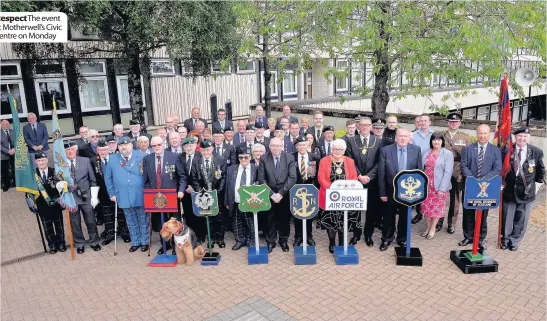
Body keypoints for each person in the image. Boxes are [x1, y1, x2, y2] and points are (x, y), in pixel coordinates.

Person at [378, 128, 422, 251]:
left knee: (405, 216)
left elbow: (419, 172)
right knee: (388, 217)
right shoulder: (386, 150)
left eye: (405, 136)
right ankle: (387, 238)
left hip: (409, 192)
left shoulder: (416, 150)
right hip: (390, 191)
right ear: (396, 137)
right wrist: (382, 192)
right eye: (400, 136)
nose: (403, 138)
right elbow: (381, 173)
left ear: (409, 138)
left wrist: (417, 193)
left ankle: (402, 239)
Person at [502, 127, 545, 251]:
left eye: (525, 136)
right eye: (520, 136)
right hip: (509, 190)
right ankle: (505, 239)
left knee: (521, 218)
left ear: (528, 138)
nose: (522, 139)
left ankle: (514, 240)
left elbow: (541, 171)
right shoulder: (507, 150)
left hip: (526, 192)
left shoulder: (536, 152)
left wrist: (537, 185)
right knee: (507, 217)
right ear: (515, 137)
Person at [459, 124, 501, 250]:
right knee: (468, 212)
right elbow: (463, 165)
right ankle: (468, 236)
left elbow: (497, 168)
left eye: (485, 133)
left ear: (489, 134)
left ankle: (481, 238)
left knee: (483, 213)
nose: (482, 136)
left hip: (486, 187)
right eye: (480, 133)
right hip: (470, 185)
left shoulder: (495, 150)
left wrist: (484, 180)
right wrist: (473, 180)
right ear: (477, 134)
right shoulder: (468, 149)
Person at [105, 137, 149, 253]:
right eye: (121, 146)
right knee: (130, 220)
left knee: (143, 219)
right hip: (123, 195)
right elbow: (108, 178)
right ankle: (135, 242)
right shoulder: (113, 159)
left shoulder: (141, 156)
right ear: (118, 147)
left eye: (126, 145)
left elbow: (148, 175)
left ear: (132, 145)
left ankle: (144, 241)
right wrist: (112, 193)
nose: (123, 147)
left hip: (140, 194)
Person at [143, 136, 186, 254]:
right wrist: (149, 194)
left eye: (159, 144)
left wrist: (181, 190)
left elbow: (182, 176)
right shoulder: (147, 159)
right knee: (161, 222)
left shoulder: (173, 156)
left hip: (172, 196)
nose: (157, 147)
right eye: (154, 145)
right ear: (151, 147)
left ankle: (176, 245)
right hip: (156, 198)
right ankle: (165, 244)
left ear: (163, 144)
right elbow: (145, 180)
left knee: (174, 222)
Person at [317, 139, 360, 253]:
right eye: (335, 149)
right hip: (328, 196)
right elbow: (321, 179)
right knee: (331, 222)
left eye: (340, 149)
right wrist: (334, 190)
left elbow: (354, 178)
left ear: (344, 150)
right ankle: (332, 243)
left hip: (345, 197)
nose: (338, 151)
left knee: (343, 221)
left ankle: (341, 242)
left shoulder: (350, 161)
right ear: (332, 149)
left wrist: (345, 190)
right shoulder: (324, 161)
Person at [346, 117, 383, 247]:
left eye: (368, 125)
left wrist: (369, 176)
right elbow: (349, 160)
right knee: (355, 209)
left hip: (372, 182)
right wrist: (359, 175)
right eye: (362, 125)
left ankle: (368, 234)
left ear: (371, 127)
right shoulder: (351, 141)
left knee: (371, 210)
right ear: (358, 126)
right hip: (356, 181)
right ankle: (356, 234)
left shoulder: (378, 141)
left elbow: (380, 162)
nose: (365, 127)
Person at [257, 137, 297, 253]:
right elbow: (261, 179)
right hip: (269, 194)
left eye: (278, 146)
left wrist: (281, 193)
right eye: (273, 145)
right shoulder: (264, 158)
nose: (276, 148)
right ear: (269, 147)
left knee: (284, 218)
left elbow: (292, 178)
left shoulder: (289, 157)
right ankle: (271, 241)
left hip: (284, 193)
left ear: (282, 146)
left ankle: (283, 241)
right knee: (270, 218)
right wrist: (272, 194)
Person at [64, 141, 101, 254]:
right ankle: (79, 243)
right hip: (71, 198)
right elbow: (59, 180)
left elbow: (92, 180)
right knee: (75, 222)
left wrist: (94, 196)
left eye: (72, 149)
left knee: (90, 221)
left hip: (86, 196)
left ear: (76, 150)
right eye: (67, 150)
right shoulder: (62, 164)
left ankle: (94, 242)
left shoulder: (85, 161)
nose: (70, 151)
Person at [191, 139, 226, 248]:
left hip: (217, 194)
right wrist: (201, 192)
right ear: (200, 150)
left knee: (219, 217)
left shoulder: (220, 160)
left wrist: (218, 191)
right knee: (207, 217)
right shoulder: (196, 162)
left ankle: (220, 239)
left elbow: (223, 177)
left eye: (208, 150)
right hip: (203, 196)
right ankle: (210, 239)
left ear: (212, 149)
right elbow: (194, 178)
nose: (206, 153)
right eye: (203, 150)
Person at [440, 112, 471, 233]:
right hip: (442, 169)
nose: (453, 123)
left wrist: (463, 172)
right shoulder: (441, 136)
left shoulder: (465, 138)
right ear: (448, 122)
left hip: (457, 170)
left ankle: (451, 224)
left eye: (456, 122)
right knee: (440, 196)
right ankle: (438, 221)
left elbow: (467, 157)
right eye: (451, 121)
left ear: (459, 123)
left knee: (455, 198)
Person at [420, 132, 454, 239]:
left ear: (442, 141)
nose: (436, 142)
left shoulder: (448, 154)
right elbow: (421, 168)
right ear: (431, 141)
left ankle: (433, 228)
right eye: (434, 139)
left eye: (439, 139)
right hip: (426, 186)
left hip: (439, 186)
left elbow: (448, 172)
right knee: (426, 208)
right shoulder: (425, 152)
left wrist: (442, 189)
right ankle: (427, 227)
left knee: (436, 209)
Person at [225, 147, 259, 250]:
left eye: (246, 157)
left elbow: (260, 183)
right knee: (236, 222)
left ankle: (251, 240)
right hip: (236, 200)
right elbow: (227, 186)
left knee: (250, 222)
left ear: (250, 157)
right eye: (241, 157)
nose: (243, 159)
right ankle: (240, 240)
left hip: (250, 201)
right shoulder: (231, 169)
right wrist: (227, 201)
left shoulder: (256, 168)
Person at [33, 152, 66, 254]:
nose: (41, 162)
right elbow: (29, 191)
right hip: (42, 205)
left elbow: (63, 186)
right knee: (47, 227)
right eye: (38, 161)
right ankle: (52, 244)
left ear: (47, 160)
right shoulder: (33, 175)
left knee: (59, 225)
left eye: (43, 160)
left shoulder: (55, 171)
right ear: (35, 162)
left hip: (56, 204)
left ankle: (61, 243)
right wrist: (31, 204)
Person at [292, 136, 320, 247]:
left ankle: (308, 236)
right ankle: (298, 236)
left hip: (310, 190)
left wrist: (314, 188)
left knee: (309, 214)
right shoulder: (291, 157)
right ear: (296, 146)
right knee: (297, 215)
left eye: (304, 144)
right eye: (299, 145)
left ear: (307, 145)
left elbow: (316, 175)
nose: (302, 147)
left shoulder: (314, 157)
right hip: (296, 191)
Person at [411, 114, 435, 225]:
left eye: (426, 121)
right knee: (418, 191)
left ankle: (435, 216)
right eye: (421, 121)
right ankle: (419, 213)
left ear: (430, 122)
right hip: (418, 166)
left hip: (432, 167)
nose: (423, 122)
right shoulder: (413, 135)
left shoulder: (435, 135)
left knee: (432, 192)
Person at [180, 137, 205, 242]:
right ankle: (191, 235)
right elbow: (179, 174)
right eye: (186, 146)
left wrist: (194, 187)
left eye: (191, 145)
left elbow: (204, 175)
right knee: (188, 214)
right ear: (183, 148)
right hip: (186, 191)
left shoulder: (201, 156)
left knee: (199, 214)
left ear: (195, 146)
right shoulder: (180, 157)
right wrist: (186, 187)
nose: (189, 148)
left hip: (198, 190)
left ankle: (201, 235)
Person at [1, 120, 15, 191]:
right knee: (4, 171)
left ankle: (15, 183)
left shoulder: (13, 131)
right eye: (4, 124)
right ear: (1, 125)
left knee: (15, 168)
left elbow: (18, 141)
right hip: (3, 154)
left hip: (14, 153)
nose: (6, 125)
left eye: (7, 124)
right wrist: (8, 151)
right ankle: (6, 185)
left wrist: (14, 149)